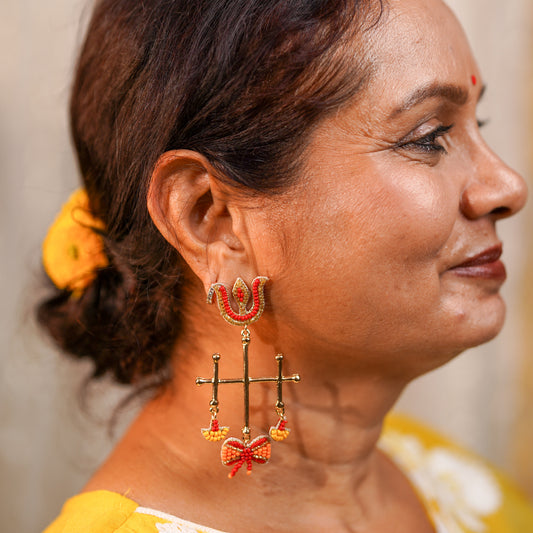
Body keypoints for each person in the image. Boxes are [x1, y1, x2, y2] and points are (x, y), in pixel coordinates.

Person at [40, 0, 533, 531]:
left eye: (476, 123)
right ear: (213, 220)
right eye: (430, 137)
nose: (507, 187)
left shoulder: (458, 484)